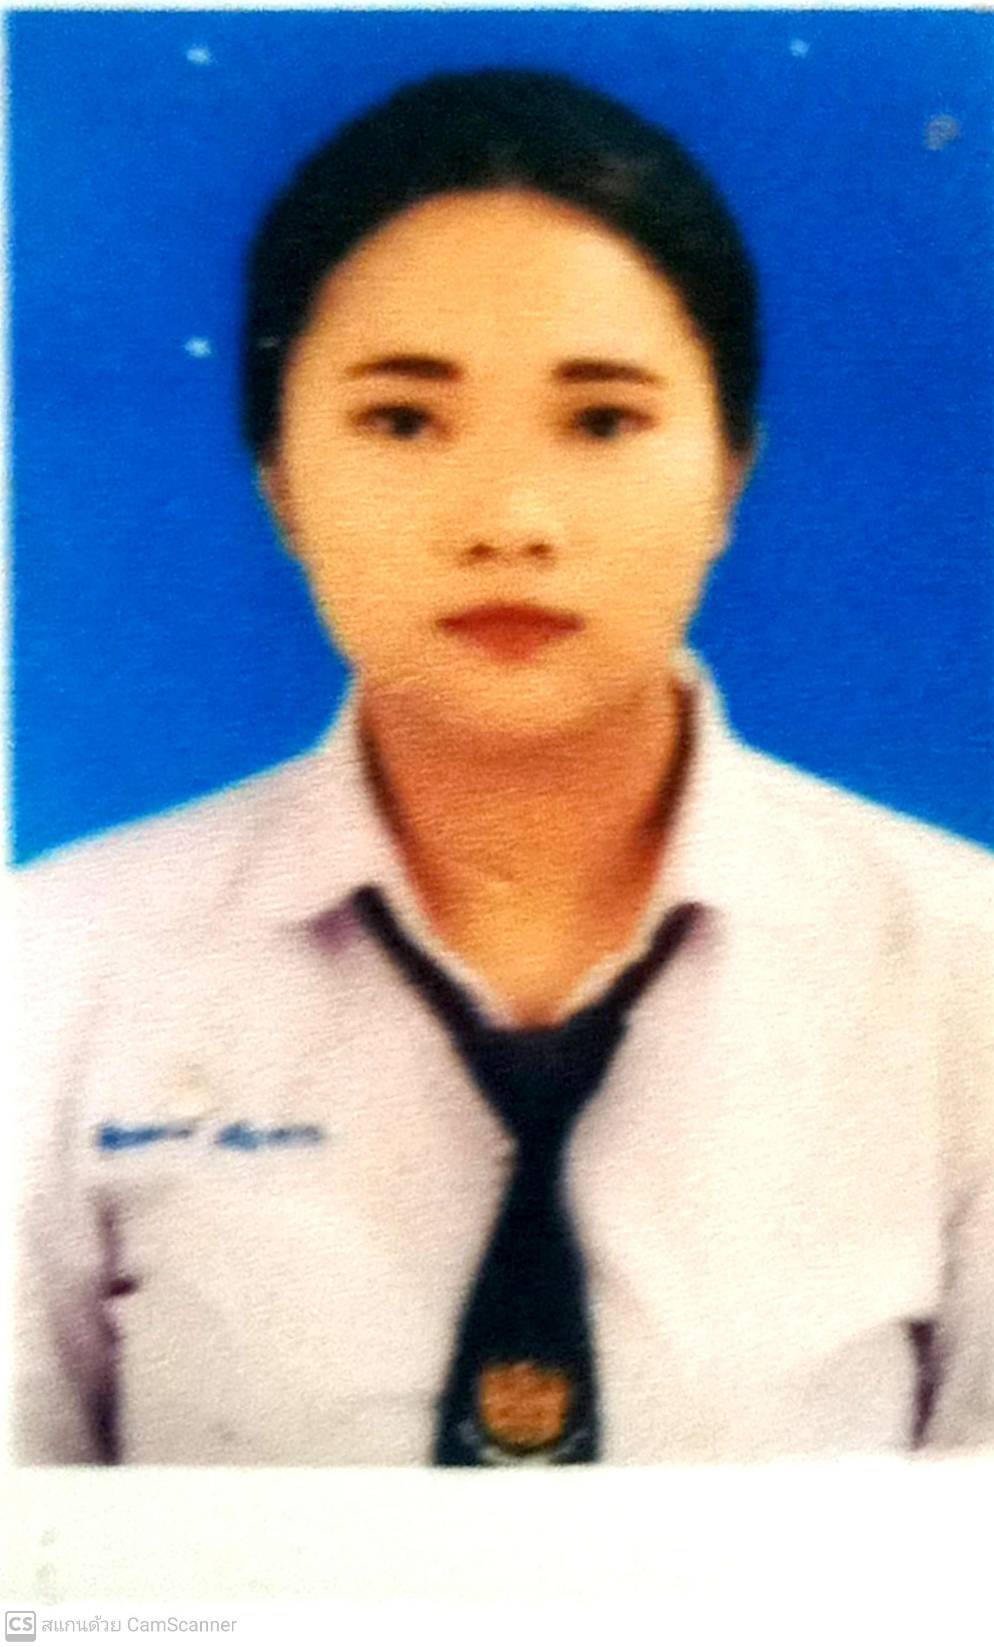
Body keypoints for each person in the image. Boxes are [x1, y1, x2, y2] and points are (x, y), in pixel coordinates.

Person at [13, 67, 994, 1468]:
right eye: (403, 421)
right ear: (279, 478)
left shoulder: (962, 976)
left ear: (729, 474)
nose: (510, 521)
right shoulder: (54, 970)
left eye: (601, 422)